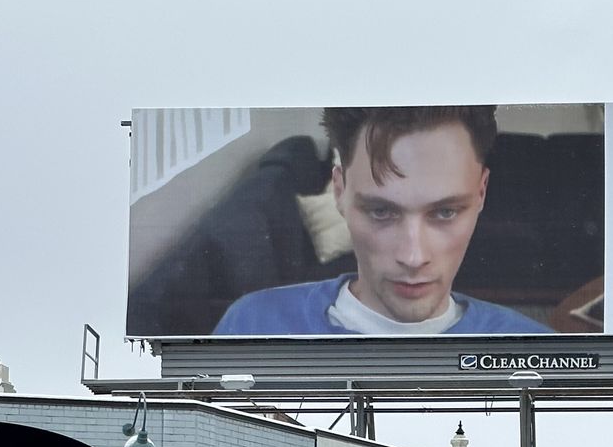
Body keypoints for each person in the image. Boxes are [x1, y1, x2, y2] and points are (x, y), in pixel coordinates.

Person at [214, 106, 551, 335]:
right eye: (381, 211)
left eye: (445, 212)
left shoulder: (539, 352)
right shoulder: (251, 324)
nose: (414, 257)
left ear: (482, 193)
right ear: (339, 192)